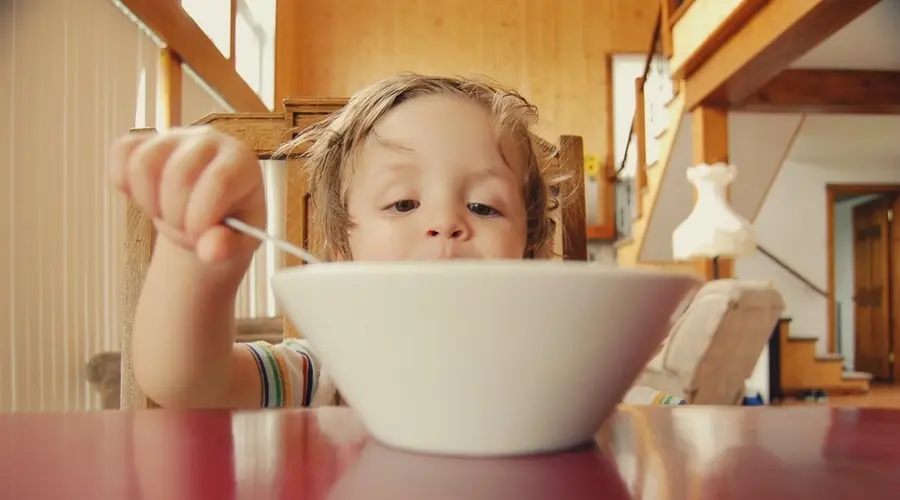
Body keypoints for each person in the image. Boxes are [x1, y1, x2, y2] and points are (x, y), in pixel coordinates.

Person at [109, 73, 686, 409]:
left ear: (530, 253)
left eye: (484, 206)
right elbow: (183, 381)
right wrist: (196, 254)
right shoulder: (325, 375)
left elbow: (671, 418)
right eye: (403, 203)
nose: (444, 222)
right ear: (343, 252)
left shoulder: (576, 380)